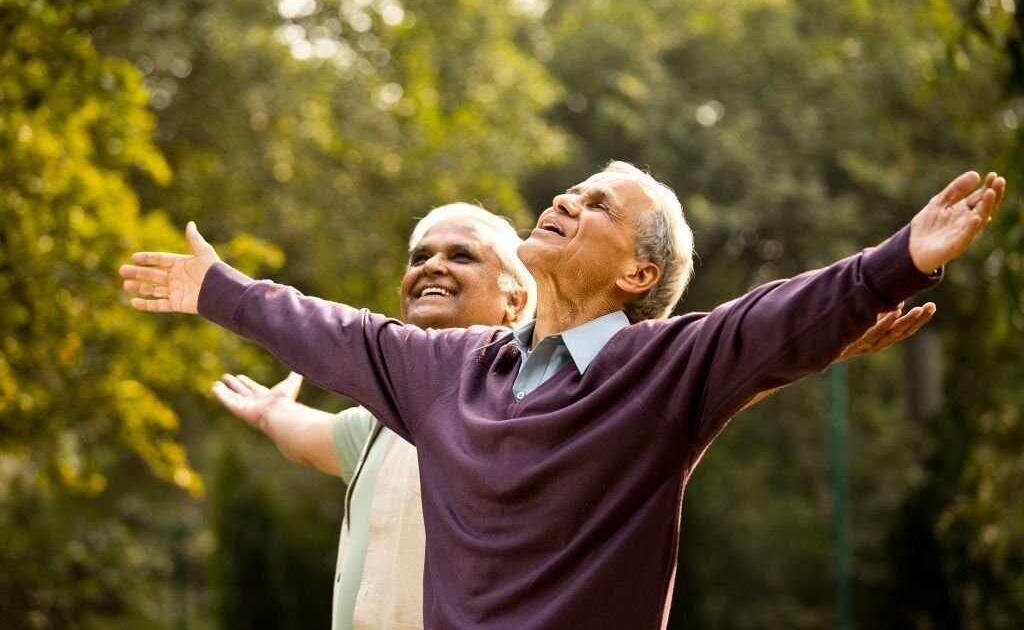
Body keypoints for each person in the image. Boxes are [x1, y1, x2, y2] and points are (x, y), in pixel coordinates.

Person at [120, 163, 1005, 628]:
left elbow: (771, 321)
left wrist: (900, 259)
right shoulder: (451, 371)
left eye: (598, 205)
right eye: (570, 191)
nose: (566, 202)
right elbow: (340, 332)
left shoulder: (662, 370)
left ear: (638, 271)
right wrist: (218, 290)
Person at [209, 203, 536, 629]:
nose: (433, 266)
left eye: (461, 256)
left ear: (515, 300)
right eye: (420, 257)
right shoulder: (384, 418)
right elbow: (311, 439)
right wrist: (271, 413)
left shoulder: (529, 404)